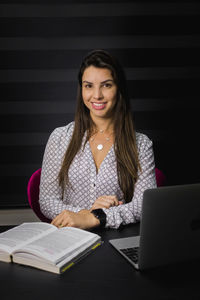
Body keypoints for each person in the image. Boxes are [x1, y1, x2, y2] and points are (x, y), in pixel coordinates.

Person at [39, 49, 157, 230]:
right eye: (89, 86)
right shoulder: (60, 137)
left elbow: (143, 206)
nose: (97, 95)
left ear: (119, 89)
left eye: (106, 85)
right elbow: (47, 201)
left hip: (117, 239)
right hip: (71, 238)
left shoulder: (141, 144)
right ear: (82, 89)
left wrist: (97, 217)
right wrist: (87, 214)